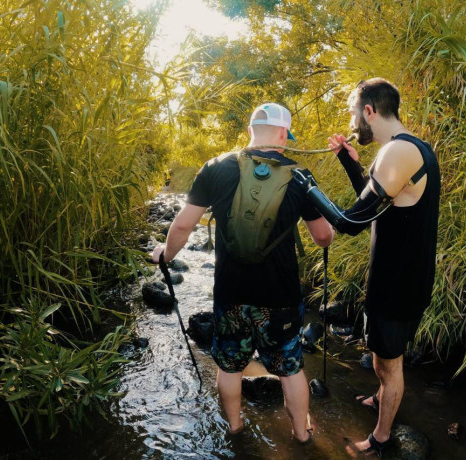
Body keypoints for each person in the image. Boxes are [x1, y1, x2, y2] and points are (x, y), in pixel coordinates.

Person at [151, 102, 334, 443]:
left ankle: (235, 429)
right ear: (284, 134)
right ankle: (301, 435)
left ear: (251, 130)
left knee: (230, 365)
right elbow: (323, 237)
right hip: (280, 295)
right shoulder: (299, 176)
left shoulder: (217, 167)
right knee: (289, 368)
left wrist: (165, 254)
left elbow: (183, 225)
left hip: (231, 292)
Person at [301, 78, 440, 457]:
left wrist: (308, 190)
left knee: (388, 364)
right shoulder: (409, 148)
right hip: (402, 276)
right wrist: (350, 165)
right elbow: (377, 206)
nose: (352, 122)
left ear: (368, 111)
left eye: (353, 113)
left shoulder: (397, 154)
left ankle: (379, 440)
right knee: (384, 358)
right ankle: (382, 400)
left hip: (399, 281)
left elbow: (350, 223)